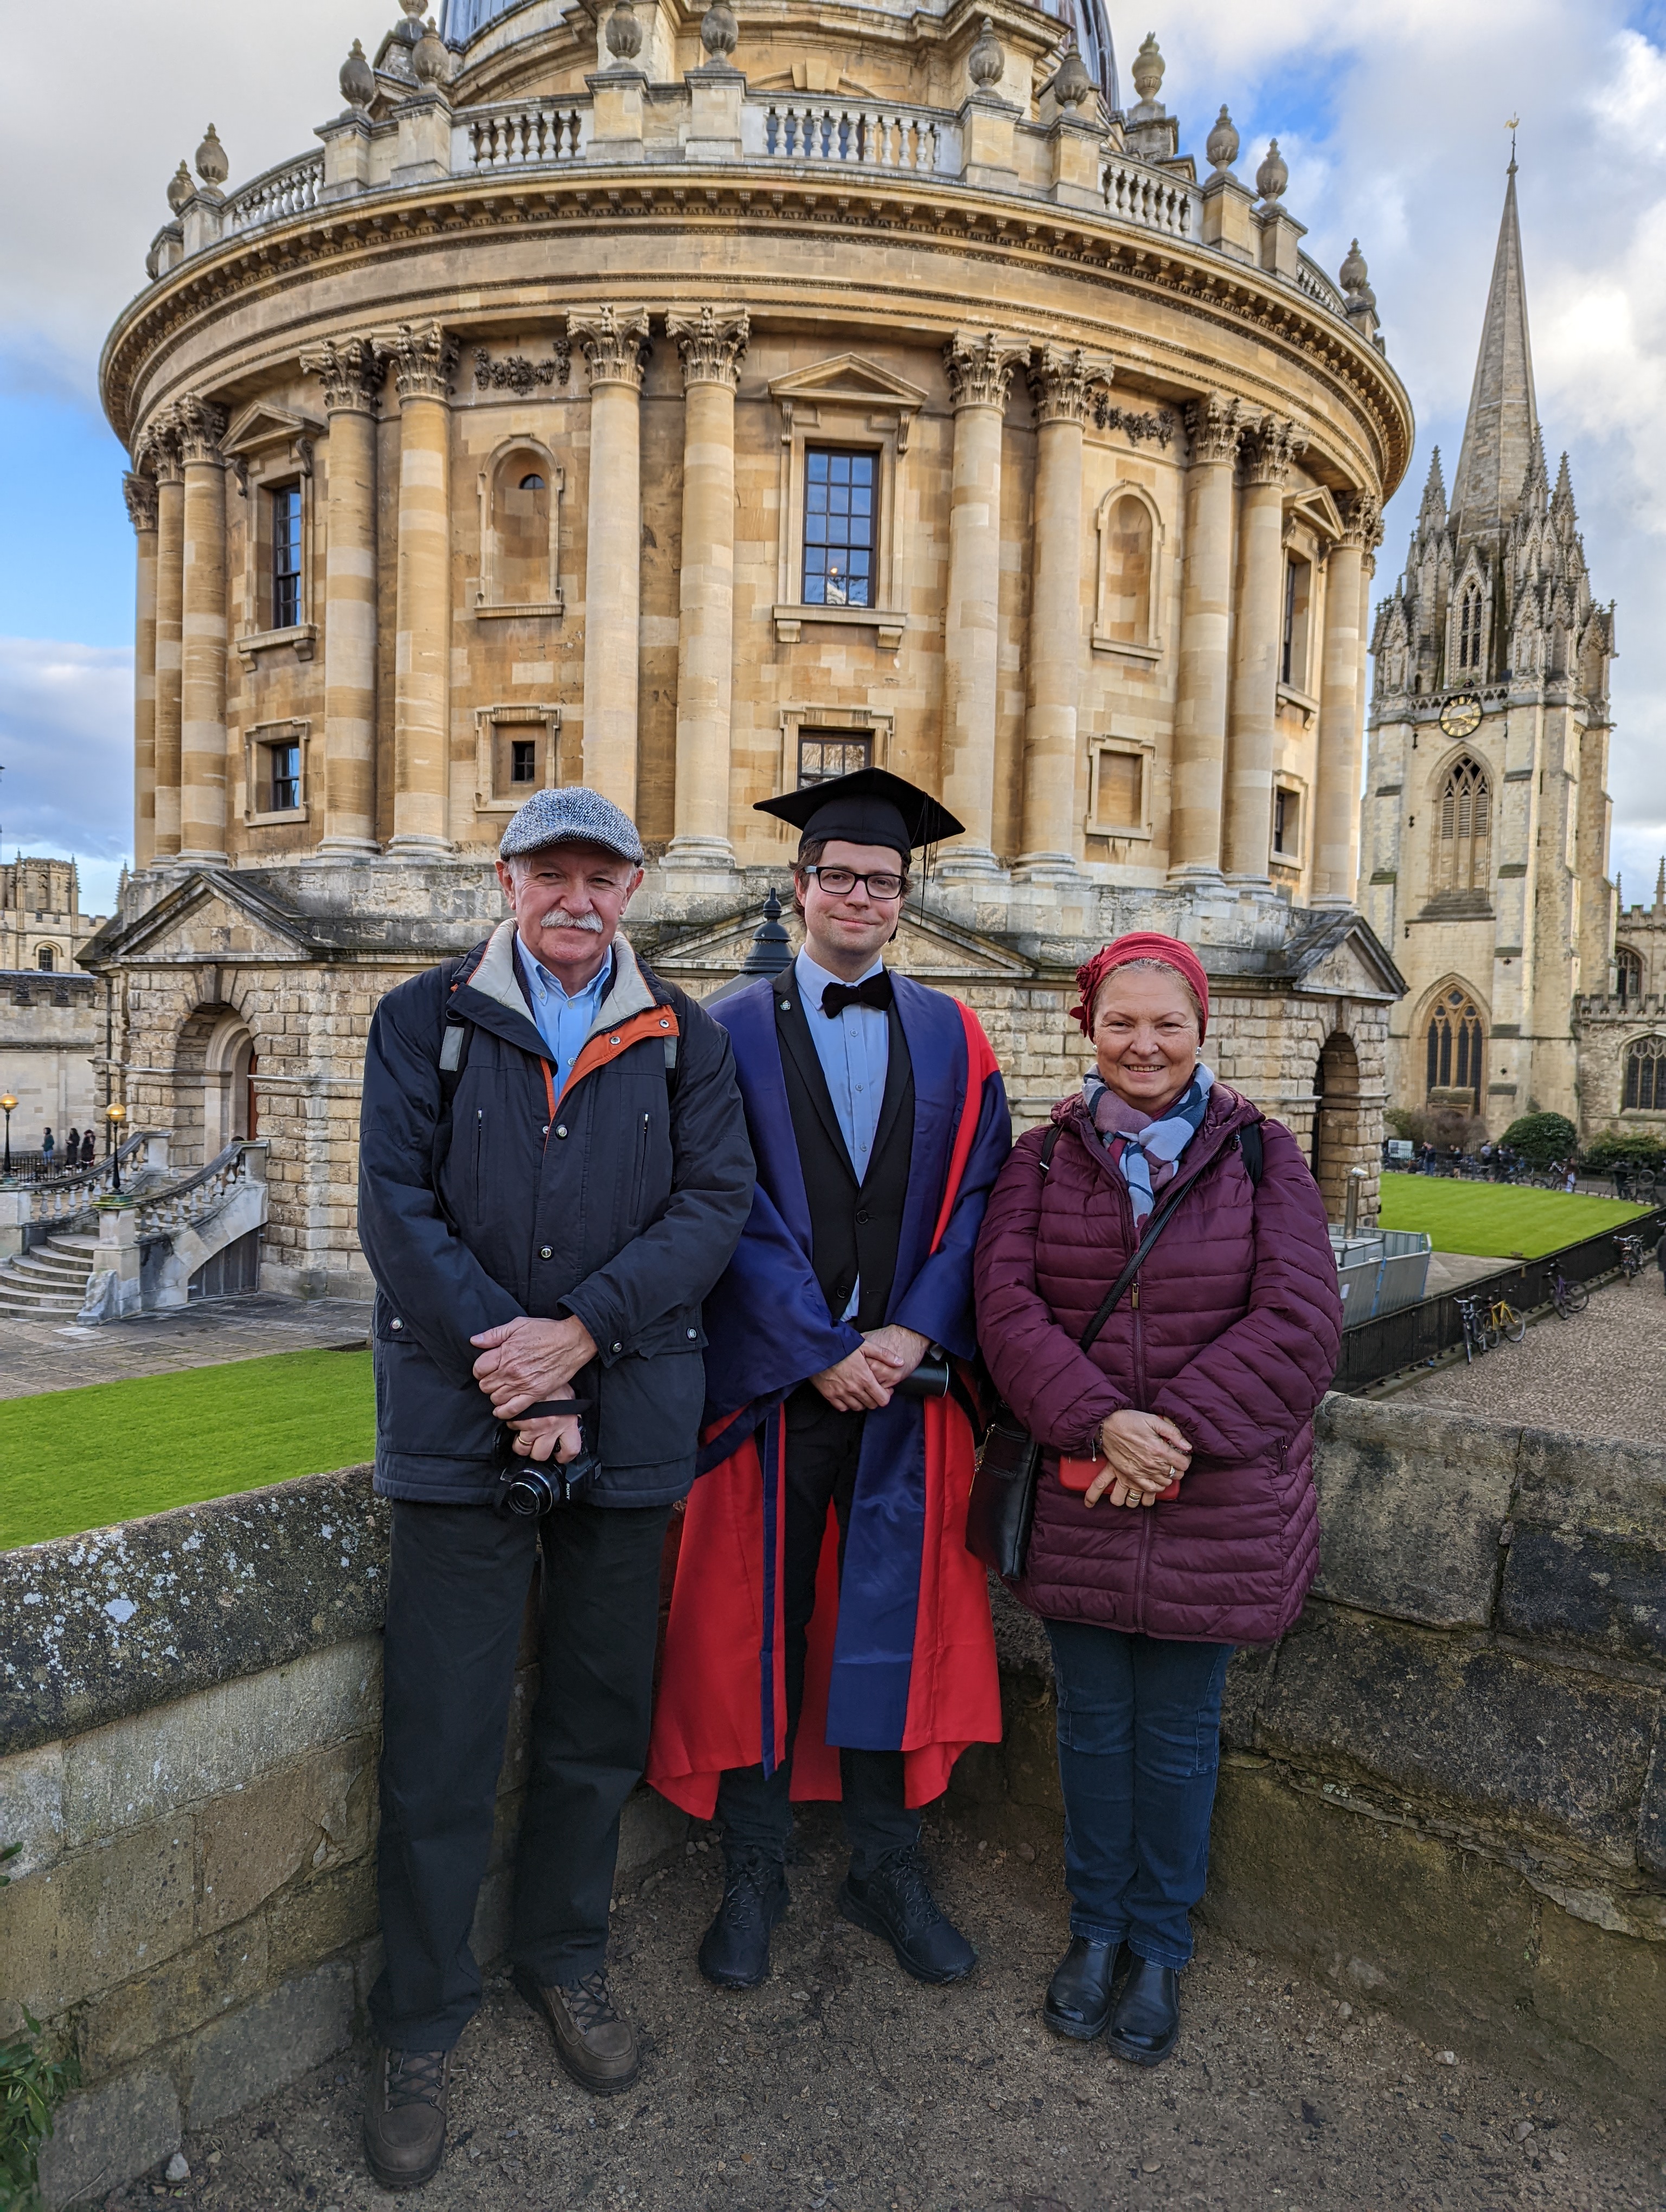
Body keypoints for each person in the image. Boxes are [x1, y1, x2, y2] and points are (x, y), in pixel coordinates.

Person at [355, 787, 753, 2190]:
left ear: (634, 888)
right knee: (441, 1744)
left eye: (600, 876)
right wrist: (516, 1371)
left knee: (594, 1727)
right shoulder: (423, 1019)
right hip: (463, 1430)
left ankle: (563, 1957)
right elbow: (395, 1210)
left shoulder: (687, 1036)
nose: (575, 899)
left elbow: (712, 1209)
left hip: (628, 1421)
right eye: (550, 874)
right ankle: (418, 2023)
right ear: (507, 880)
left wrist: (579, 1336)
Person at [649, 768, 1011, 1990]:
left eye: (883, 881)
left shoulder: (956, 1035)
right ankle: (754, 1869)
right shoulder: (720, 1032)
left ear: (905, 899)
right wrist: (817, 1348)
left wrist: (913, 1335)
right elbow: (720, 1204)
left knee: (890, 1627)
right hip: (774, 1391)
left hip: (905, 1390)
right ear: (799, 886)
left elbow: (982, 1199)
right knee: (761, 1625)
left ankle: (885, 1867)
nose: (861, 896)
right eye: (839, 875)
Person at [973, 933, 1342, 2068]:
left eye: (1166, 1023)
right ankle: (1095, 1931)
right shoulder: (1040, 1160)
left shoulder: (1264, 1155)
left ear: (1200, 1030)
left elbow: (1301, 1320)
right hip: (1085, 1491)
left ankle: (1161, 1945)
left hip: (1211, 1501)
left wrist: (1162, 1438)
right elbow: (1005, 1311)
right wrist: (1102, 1425)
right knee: (1091, 1728)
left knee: (1180, 1737)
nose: (1144, 1045)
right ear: (1090, 1028)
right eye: (1122, 1022)